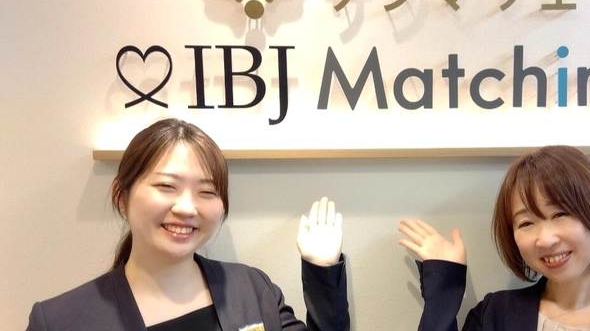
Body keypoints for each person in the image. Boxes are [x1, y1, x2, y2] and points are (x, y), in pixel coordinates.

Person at [27, 118, 349, 331]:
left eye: (206, 192)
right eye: (167, 186)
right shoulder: (59, 320)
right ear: (122, 197)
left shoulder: (250, 287)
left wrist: (322, 269)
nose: (186, 207)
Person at [399, 145, 590, 331]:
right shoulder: (494, 316)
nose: (545, 240)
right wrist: (445, 283)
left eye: (560, 214)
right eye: (526, 223)